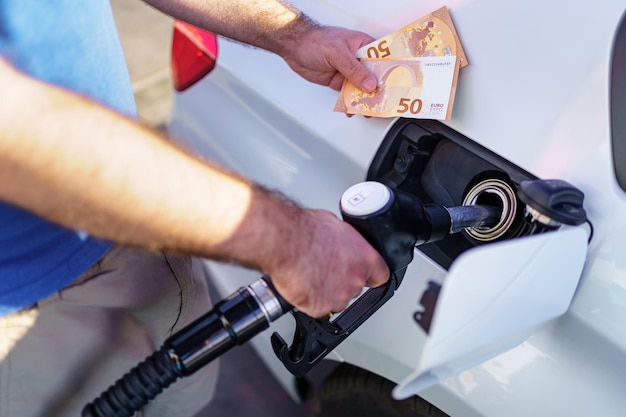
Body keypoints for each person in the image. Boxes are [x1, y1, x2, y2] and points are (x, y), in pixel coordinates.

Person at [0, 0, 389, 416]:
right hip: (26, 302)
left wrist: (293, 33)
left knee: (178, 401)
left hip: (142, 223)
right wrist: (293, 243)